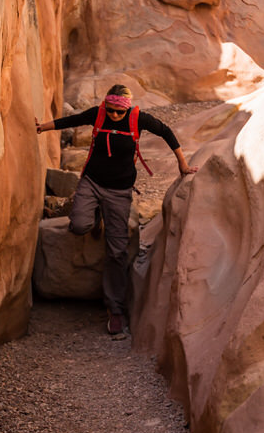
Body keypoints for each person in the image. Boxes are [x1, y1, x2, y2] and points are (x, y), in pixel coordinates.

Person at [36, 84, 196, 337]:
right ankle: (95, 213)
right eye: (109, 110)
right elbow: (73, 120)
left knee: (117, 251)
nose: (113, 116)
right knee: (78, 225)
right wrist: (43, 126)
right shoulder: (98, 114)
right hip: (91, 181)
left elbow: (166, 133)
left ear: (126, 109)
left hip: (119, 191)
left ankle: (116, 309)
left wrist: (183, 165)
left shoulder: (138, 118)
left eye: (118, 112)